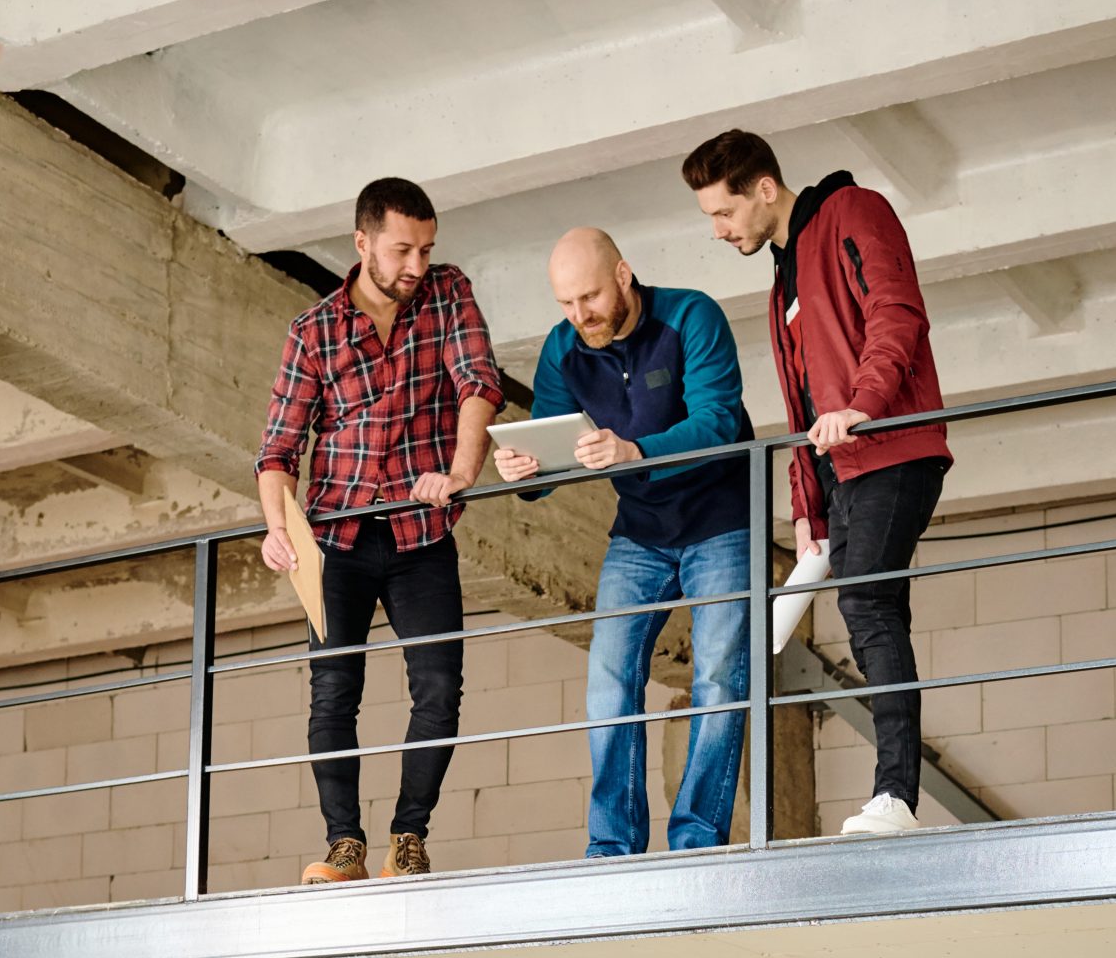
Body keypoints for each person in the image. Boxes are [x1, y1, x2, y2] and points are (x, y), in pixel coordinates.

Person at [681, 129, 951, 838]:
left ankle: (895, 797)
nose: (717, 230)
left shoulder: (854, 212)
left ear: (763, 189)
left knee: (866, 604)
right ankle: (894, 796)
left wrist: (863, 405)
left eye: (722, 213)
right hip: (840, 468)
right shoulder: (783, 273)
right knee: (870, 606)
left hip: (890, 446)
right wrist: (807, 508)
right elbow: (802, 400)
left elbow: (896, 313)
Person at [257, 176, 502, 884]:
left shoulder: (448, 292)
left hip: (420, 533)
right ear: (362, 242)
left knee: (439, 683)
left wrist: (458, 471)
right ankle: (344, 846)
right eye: (401, 250)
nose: (416, 267)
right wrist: (277, 528)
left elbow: (477, 380)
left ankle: (409, 837)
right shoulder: (314, 331)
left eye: (426, 249)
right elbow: (277, 453)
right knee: (334, 692)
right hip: (332, 541)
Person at [492, 228, 751, 859]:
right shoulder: (564, 348)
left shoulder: (692, 316)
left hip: (722, 519)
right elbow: (555, 442)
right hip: (639, 530)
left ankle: (696, 839)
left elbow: (720, 419)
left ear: (624, 276)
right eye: (565, 304)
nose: (580, 316)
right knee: (609, 680)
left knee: (719, 677)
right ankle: (612, 845)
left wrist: (635, 451)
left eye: (589, 297)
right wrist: (527, 473)